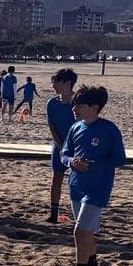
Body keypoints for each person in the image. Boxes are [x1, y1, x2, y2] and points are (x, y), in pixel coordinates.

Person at [59, 85, 127, 266]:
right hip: (76, 186)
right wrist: (72, 162)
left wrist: (92, 165)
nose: (74, 109)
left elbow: (119, 159)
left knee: (80, 231)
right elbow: (64, 154)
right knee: (87, 232)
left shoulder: (109, 130)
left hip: (98, 187)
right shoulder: (75, 128)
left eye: (79, 105)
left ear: (94, 107)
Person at [44, 67, 78, 224]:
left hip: (77, 148)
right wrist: (60, 146)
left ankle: (79, 214)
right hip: (59, 146)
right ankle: (53, 213)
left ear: (67, 83)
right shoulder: (52, 103)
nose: (53, 86)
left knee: (77, 180)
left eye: (56, 82)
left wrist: (73, 148)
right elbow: (52, 125)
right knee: (56, 178)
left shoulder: (78, 103)